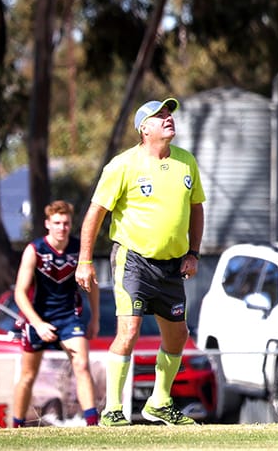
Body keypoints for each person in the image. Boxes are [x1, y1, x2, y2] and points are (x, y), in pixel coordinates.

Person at [75, 97, 205, 426]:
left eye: (169, 114)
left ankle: (159, 402)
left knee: (178, 335)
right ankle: (113, 409)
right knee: (129, 330)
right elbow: (95, 213)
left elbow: (197, 208)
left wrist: (194, 253)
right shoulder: (123, 165)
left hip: (173, 265)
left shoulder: (186, 162)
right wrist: (85, 260)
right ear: (144, 129)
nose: (168, 119)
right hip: (133, 260)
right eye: (160, 116)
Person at [11, 200, 100, 427]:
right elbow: (20, 293)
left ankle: (92, 424)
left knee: (81, 365)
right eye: (57, 223)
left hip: (69, 317)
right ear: (47, 224)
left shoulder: (79, 250)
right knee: (28, 375)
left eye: (66, 223)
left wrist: (95, 319)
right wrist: (38, 324)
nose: (62, 227)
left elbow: (92, 285)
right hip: (38, 317)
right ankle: (17, 425)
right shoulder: (35, 250)